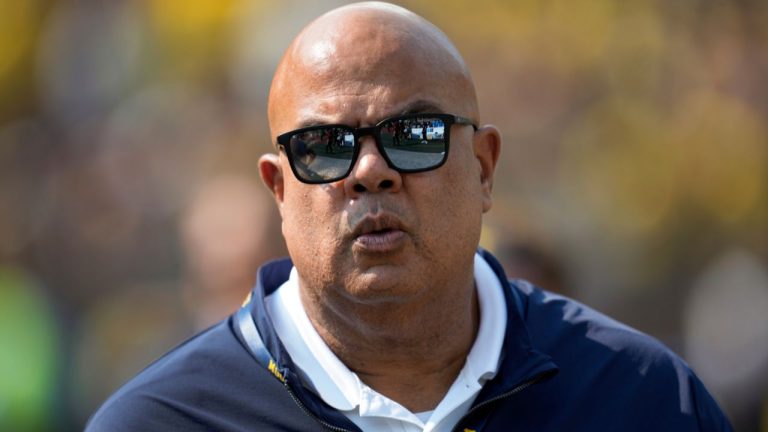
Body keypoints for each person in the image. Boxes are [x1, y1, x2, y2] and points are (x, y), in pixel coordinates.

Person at [86, 2, 733, 431]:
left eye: (415, 135)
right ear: (279, 191)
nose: (370, 170)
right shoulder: (160, 422)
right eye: (324, 146)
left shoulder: (646, 401)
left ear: (484, 168)